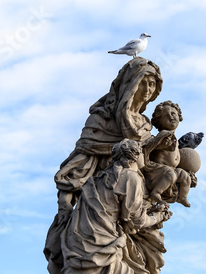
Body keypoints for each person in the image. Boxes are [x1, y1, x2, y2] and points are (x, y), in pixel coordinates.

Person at [44, 58, 168, 272]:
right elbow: (72, 174)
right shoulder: (101, 122)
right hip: (100, 210)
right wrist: (65, 209)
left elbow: (149, 168)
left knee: (149, 260)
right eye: (143, 83)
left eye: (152, 84)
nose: (148, 89)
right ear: (130, 84)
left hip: (134, 205)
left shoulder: (145, 126)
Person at [60, 139, 172, 274]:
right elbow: (136, 220)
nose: (144, 156)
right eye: (142, 152)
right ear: (135, 156)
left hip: (77, 246)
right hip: (103, 248)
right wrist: (157, 217)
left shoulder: (97, 179)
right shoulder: (131, 177)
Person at [144, 101, 192, 207]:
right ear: (159, 121)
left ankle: (182, 197)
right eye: (166, 116)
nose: (171, 117)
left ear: (179, 116)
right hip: (158, 170)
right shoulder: (163, 135)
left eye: (173, 114)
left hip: (172, 169)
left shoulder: (175, 138)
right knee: (171, 174)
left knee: (185, 177)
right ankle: (156, 192)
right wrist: (160, 145)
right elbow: (151, 146)